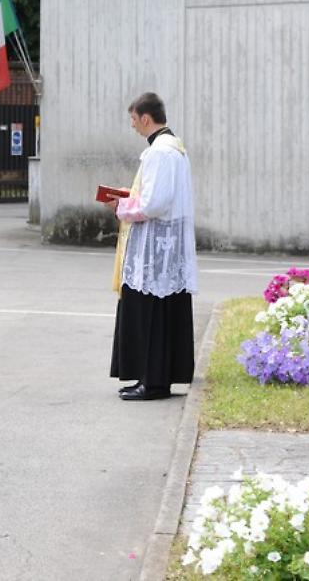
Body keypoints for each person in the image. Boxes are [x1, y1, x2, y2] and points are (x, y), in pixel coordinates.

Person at [104, 92, 196, 401]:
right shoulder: (175, 147)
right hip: (167, 246)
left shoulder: (160, 152)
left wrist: (121, 206)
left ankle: (154, 383)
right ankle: (155, 378)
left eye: (133, 119)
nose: (132, 126)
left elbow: (154, 203)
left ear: (146, 118)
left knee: (153, 314)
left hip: (156, 246)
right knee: (162, 313)